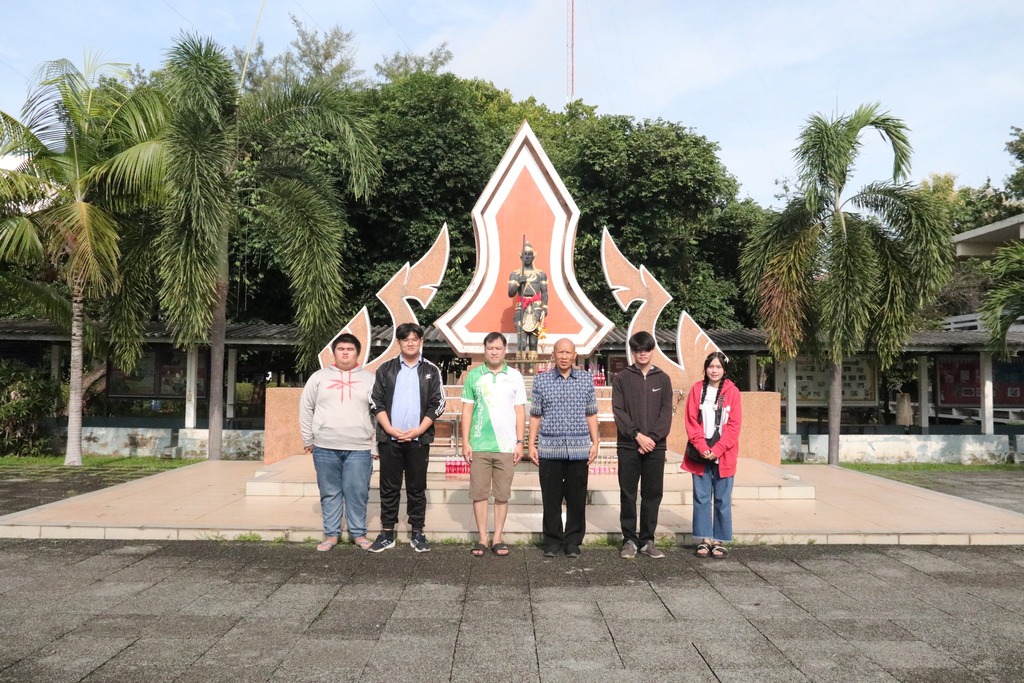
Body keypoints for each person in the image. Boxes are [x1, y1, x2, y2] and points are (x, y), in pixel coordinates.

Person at [368, 323, 446, 553]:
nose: (410, 343)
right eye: (405, 339)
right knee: (388, 487)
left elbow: (438, 404)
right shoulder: (386, 369)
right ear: (399, 342)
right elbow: (375, 401)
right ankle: (387, 533)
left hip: (418, 440)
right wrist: (390, 429)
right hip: (390, 439)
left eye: (414, 339)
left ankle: (417, 532)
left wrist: (419, 430)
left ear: (421, 341)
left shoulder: (431, 370)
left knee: (417, 487)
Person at [299, 333, 375, 552]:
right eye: (341, 349)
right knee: (330, 492)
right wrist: (308, 438)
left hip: (359, 447)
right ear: (334, 353)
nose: (345, 353)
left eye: (350, 349)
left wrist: (376, 445)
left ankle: (358, 534)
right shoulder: (319, 378)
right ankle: (331, 534)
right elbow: (306, 408)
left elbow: (379, 413)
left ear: (358, 353)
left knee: (357, 491)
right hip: (325, 445)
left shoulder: (370, 379)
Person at [527, 337, 599, 557]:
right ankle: (553, 541)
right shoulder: (542, 381)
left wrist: (595, 442)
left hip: (578, 449)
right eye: (560, 352)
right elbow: (536, 414)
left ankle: (573, 542)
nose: (564, 356)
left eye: (568, 353)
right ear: (554, 354)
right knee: (551, 498)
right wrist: (531, 443)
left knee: (577, 498)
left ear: (574, 355)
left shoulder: (585, 379)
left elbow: (591, 413)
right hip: (549, 448)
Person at [460, 332, 527, 557]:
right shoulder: (474, 376)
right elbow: (467, 410)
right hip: (479, 445)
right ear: (485, 350)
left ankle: (497, 538)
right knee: (479, 493)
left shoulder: (515, 376)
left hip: (506, 446)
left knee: (502, 494)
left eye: (498, 348)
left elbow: (520, 411)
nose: (494, 352)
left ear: (505, 350)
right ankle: (482, 538)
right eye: (490, 348)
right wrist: (466, 441)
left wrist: (520, 442)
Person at [612, 331, 673, 559]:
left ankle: (647, 540)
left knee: (652, 494)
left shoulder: (663, 379)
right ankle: (629, 539)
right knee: (628, 493)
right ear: (632, 352)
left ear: (652, 350)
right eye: (637, 350)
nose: (642, 353)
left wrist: (652, 439)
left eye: (646, 349)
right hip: (629, 445)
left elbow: (666, 413)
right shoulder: (622, 378)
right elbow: (619, 411)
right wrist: (637, 435)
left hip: (655, 447)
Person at [683, 351, 742, 559]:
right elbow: (691, 421)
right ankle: (705, 538)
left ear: (724, 370)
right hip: (700, 453)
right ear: (705, 368)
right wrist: (702, 448)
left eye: (718, 367)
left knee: (722, 499)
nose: (714, 370)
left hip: (724, 454)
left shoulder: (733, 392)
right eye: (711, 366)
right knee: (701, 498)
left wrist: (717, 450)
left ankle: (719, 540)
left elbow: (734, 427)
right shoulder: (697, 389)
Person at [507, 242, 548, 357]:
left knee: (534, 342)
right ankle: (520, 364)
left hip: (536, 307)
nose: (527, 256)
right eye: (525, 254)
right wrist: (518, 283)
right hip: (522, 307)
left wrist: (545, 307)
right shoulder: (515, 274)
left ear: (534, 256)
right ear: (521, 257)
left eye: (530, 254)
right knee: (522, 341)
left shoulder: (541, 274)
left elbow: (545, 292)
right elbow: (510, 293)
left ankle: (532, 366)